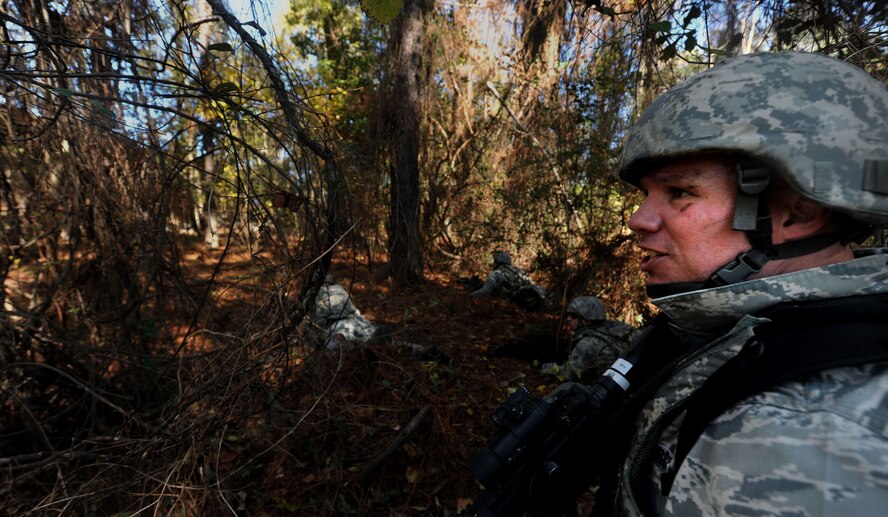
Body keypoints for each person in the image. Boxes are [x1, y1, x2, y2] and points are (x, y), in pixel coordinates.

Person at [597, 51, 888, 516]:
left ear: (798, 212)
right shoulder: (736, 330)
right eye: (645, 195)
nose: (638, 219)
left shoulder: (813, 435)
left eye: (679, 192)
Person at [540, 296, 640, 383]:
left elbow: (567, 374)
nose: (568, 319)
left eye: (573, 315)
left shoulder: (587, 343)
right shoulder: (621, 327)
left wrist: (544, 367)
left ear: (587, 320)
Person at [471, 251, 547, 310]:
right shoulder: (519, 271)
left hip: (514, 305)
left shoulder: (497, 273)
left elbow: (486, 291)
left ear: (497, 262)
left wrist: (471, 294)